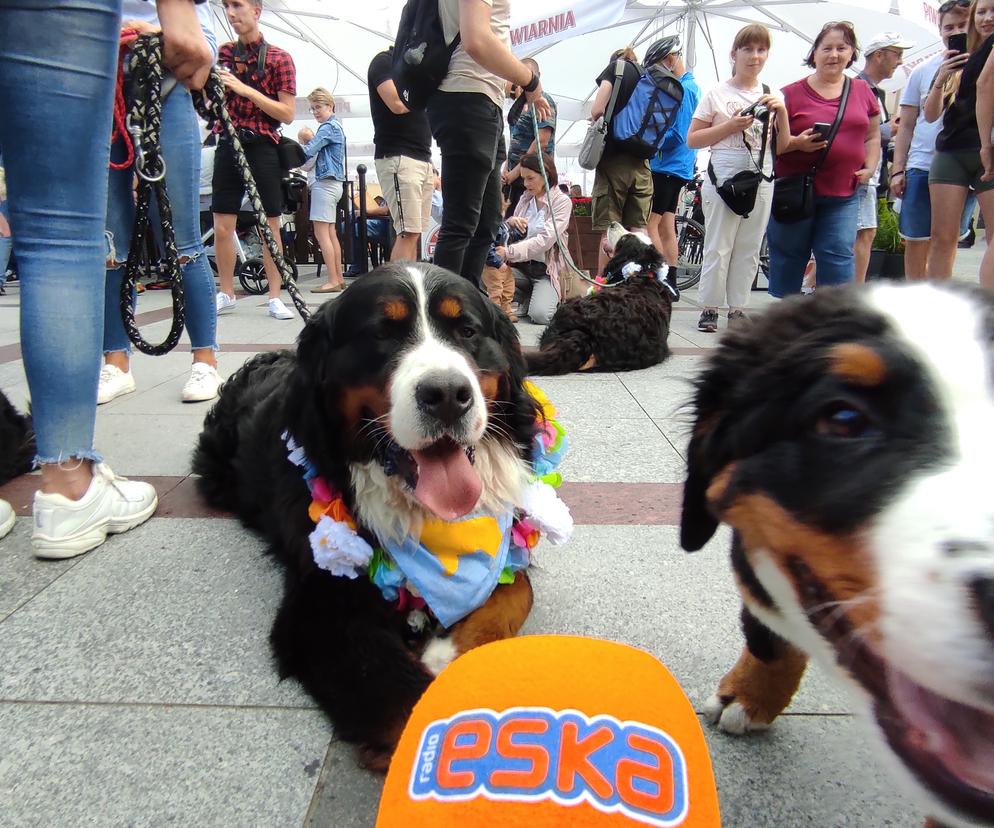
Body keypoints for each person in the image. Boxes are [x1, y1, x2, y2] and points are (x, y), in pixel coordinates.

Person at [0, 0, 211, 554]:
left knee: (125, 239)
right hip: (75, 25)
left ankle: (202, 359)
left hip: (136, 62)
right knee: (63, 233)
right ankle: (70, 486)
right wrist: (178, 11)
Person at [98, 4, 222, 407]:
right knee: (111, 245)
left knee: (183, 240)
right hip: (101, 95)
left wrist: (149, 33)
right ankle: (116, 362)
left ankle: (205, 359)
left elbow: (203, 48)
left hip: (164, 92)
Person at [428, 0, 551, 289]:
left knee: (485, 225)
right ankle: (441, 317)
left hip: (482, 101)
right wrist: (530, 81)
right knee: (462, 224)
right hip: (466, 97)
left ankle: (465, 307)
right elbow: (476, 40)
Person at [687, 23, 790, 332]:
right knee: (719, 244)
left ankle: (738, 308)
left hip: (762, 173)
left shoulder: (773, 94)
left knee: (750, 245)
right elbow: (693, 139)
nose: (754, 56)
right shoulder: (716, 93)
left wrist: (781, 112)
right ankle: (709, 308)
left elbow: (783, 146)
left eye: (761, 50)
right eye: (748, 49)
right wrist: (730, 126)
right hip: (724, 173)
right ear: (734, 53)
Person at [766, 22, 881, 297]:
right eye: (826, 48)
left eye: (841, 48)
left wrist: (871, 165)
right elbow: (772, 146)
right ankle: (788, 320)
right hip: (795, 191)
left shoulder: (863, 91)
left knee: (838, 255)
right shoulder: (789, 94)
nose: (834, 55)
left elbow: (873, 135)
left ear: (851, 53)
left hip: (843, 192)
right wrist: (798, 144)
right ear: (814, 53)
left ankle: (832, 321)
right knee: (789, 256)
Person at [212, 0, 297, 320]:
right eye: (226, 6)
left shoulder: (278, 58)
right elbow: (210, 102)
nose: (231, 13)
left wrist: (245, 91)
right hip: (228, 141)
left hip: (263, 144)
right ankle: (226, 291)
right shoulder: (222, 55)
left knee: (269, 224)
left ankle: (275, 297)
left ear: (256, 11)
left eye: (237, 5)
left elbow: (287, 113)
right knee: (222, 225)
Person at [891, 1, 973, 280]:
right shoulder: (923, 70)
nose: (955, 32)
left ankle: (940, 294)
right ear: (939, 30)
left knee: (947, 238)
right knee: (915, 238)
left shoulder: (983, 64)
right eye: (949, 27)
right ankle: (916, 295)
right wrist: (898, 169)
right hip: (922, 163)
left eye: (961, 26)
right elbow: (907, 124)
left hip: (963, 162)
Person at [925, 0, 994, 288]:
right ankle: (939, 306)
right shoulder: (958, 56)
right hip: (951, 149)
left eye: (993, 11)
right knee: (942, 237)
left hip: (986, 149)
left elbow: (985, 87)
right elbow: (930, 114)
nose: (987, 18)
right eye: (981, 12)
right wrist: (941, 78)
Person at [853, 32, 914, 282]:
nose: (899, 61)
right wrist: (889, 130)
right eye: (897, 55)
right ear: (878, 56)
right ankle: (851, 295)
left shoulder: (873, 91)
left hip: (870, 175)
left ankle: (824, 290)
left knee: (861, 233)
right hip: (861, 174)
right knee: (863, 233)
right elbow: (858, 131)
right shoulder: (861, 88)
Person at [366, 47, 434, 264]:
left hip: (422, 157)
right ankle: (397, 293)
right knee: (407, 233)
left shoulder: (421, 70)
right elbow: (396, 103)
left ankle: (407, 291)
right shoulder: (384, 61)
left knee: (413, 233)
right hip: (399, 156)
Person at [589, 46, 652, 276]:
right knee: (639, 232)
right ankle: (640, 286)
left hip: (613, 162)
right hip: (642, 165)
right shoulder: (649, 76)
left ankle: (602, 291)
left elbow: (597, 110)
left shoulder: (616, 69)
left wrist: (596, 118)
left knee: (610, 234)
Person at [646, 36, 701, 291]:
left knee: (651, 224)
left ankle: (660, 278)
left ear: (669, 60)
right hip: (677, 166)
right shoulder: (690, 87)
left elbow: (679, 133)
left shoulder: (685, 89)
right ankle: (671, 281)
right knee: (667, 224)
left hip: (668, 165)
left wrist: (651, 143)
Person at [494, 152, 572, 325]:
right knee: (485, 277)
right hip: (522, 269)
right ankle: (528, 297)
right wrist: (510, 223)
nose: (525, 184)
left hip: (546, 273)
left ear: (546, 174)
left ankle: (535, 299)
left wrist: (508, 252)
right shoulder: (525, 199)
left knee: (540, 315)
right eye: (523, 179)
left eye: (530, 178)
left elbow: (545, 240)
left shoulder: (562, 202)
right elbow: (510, 235)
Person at [300, 88, 346, 294]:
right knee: (330, 233)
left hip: (324, 184)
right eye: (313, 109)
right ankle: (338, 277)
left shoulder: (327, 128)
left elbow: (309, 151)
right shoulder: (337, 127)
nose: (315, 112)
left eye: (318, 107)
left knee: (322, 233)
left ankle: (333, 279)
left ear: (330, 105)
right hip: (335, 184)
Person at [502, 58, 558, 216]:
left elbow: (542, 141)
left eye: (529, 74)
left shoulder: (543, 101)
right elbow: (516, 140)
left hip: (534, 178)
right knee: (512, 227)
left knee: (530, 229)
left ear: (538, 75)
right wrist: (508, 168)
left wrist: (516, 172)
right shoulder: (520, 104)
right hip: (516, 180)